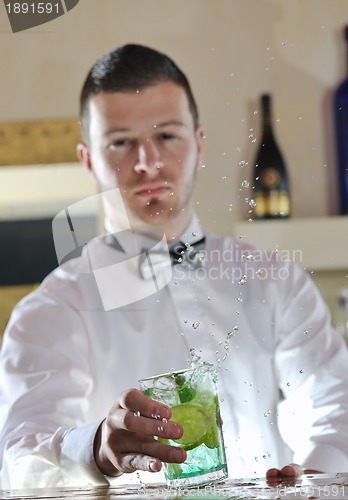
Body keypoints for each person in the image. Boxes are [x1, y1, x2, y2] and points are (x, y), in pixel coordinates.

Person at [0, 43, 348, 490]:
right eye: (121, 143)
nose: (149, 163)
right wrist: (94, 449)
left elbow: (335, 405)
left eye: (166, 136)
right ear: (88, 161)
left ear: (199, 143)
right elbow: (20, 461)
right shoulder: (49, 311)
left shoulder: (277, 282)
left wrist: (314, 477)